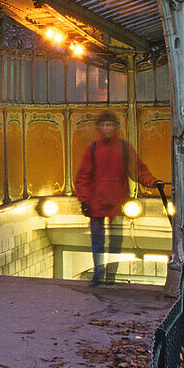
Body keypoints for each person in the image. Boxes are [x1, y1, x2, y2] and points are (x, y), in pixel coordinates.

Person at [74, 111, 161, 286]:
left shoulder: (120, 147)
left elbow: (137, 169)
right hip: (101, 202)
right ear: (100, 127)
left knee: (112, 242)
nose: (107, 128)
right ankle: (101, 274)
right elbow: (83, 177)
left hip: (113, 202)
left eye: (110, 125)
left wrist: (152, 181)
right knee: (101, 241)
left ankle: (107, 275)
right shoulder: (97, 148)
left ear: (116, 128)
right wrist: (84, 200)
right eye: (104, 125)